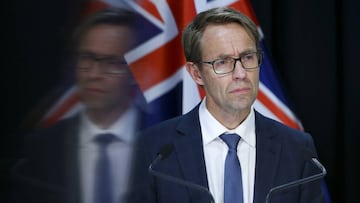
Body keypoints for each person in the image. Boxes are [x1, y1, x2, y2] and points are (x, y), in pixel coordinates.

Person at [127, 7, 326, 203]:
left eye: (248, 57)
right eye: (223, 62)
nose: (240, 73)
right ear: (196, 73)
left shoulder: (298, 149)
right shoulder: (153, 150)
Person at [11, 7, 147, 203]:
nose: (93, 74)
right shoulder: (42, 147)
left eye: (111, 62)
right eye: (87, 59)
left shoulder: (165, 144)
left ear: (136, 70)